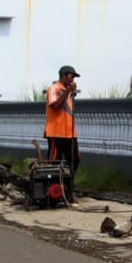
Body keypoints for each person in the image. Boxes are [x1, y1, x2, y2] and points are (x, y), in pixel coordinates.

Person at [45, 65, 79, 203]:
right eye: (72, 76)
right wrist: (68, 92)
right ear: (64, 75)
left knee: (74, 160)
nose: (73, 80)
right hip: (55, 132)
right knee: (54, 162)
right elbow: (56, 105)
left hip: (69, 132)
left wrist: (69, 91)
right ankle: (53, 191)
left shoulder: (68, 91)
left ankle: (68, 189)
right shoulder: (54, 88)